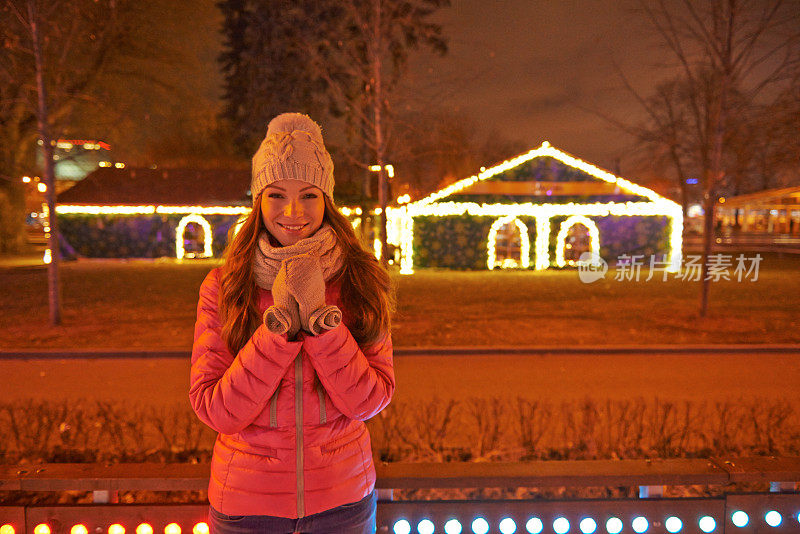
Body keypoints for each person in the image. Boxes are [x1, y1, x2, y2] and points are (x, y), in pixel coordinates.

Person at [189, 113, 394, 534]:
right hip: (247, 510)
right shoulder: (225, 285)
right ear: (259, 202)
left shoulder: (358, 277)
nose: (294, 211)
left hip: (343, 505)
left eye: (310, 195)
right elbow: (215, 409)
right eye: (277, 195)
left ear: (328, 200)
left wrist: (321, 324)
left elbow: (370, 400)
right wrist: (277, 332)